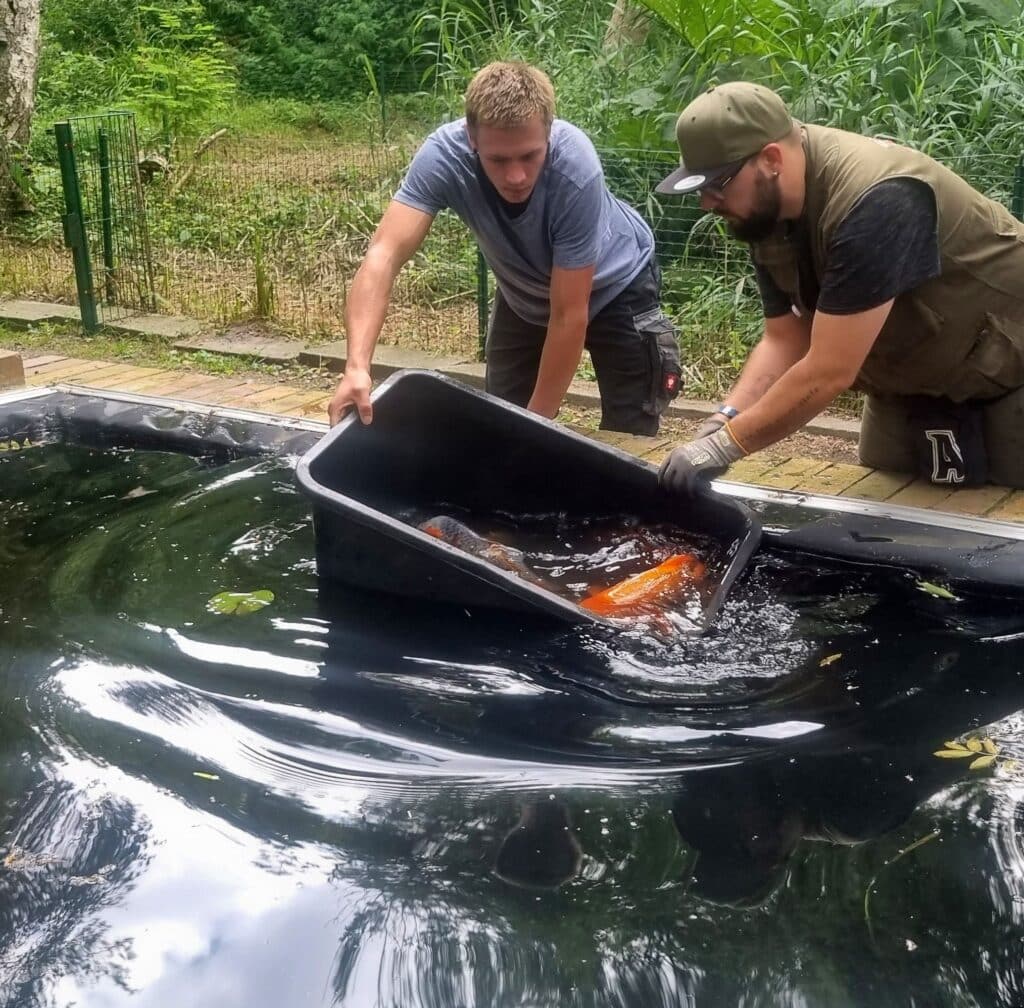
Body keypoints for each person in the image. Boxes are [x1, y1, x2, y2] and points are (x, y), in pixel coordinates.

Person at [654, 81, 1024, 495]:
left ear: (771, 159)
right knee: (884, 502)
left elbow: (829, 370)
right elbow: (785, 338)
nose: (707, 202)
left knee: (1006, 522)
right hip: (909, 376)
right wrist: (722, 421)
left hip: (1007, 364)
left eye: (716, 184)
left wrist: (726, 447)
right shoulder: (764, 209)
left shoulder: (879, 199)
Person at [327, 61, 681, 435]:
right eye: (498, 159)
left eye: (530, 156)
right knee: (502, 422)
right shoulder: (444, 157)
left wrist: (536, 427)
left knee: (627, 434)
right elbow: (383, 255)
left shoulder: (576, 167)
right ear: (471, 138)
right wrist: (356, 367)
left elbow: (568, 314)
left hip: (618, 286)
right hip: (524, 294)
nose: (516, 176)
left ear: (549, 133)